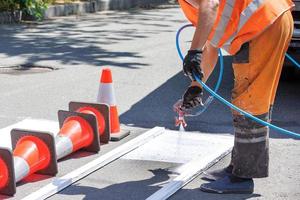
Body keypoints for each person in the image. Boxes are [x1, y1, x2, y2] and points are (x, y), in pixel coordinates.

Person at [178, 0, 295, 194]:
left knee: (248, 102)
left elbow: (211, 4)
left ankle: (242, 177)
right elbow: (211, 46)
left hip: (261, 26)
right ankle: (238, 166)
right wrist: (196, 87)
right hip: (267, 22)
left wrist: (193, 51)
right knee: (252, 98)